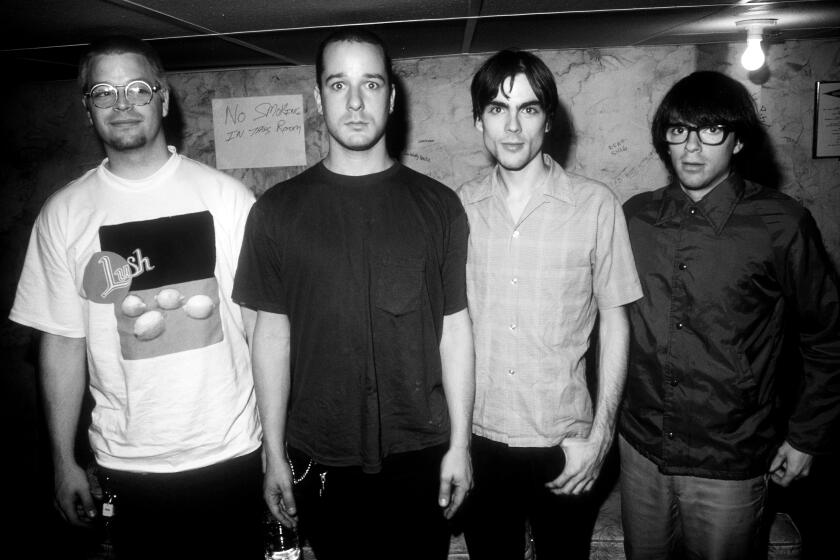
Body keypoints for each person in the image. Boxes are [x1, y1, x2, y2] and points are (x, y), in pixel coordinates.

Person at [9, 36, 263, 559]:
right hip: (125, 463)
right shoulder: (64, 214)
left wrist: (278, 447)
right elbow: (62, 343)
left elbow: (262, 328)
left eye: (138, 88)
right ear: (87, 109)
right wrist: (62, 462)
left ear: (163, 99)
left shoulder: (226, 198)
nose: (122, 104)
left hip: (233, 451)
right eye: (104, 92)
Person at [232, 28, 474, 560]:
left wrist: (461, 445)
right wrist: (273, 452)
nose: (357, 102)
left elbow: (454, 330)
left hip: (421, 453)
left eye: (372, 84)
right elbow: (270, 337)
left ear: (392, 96)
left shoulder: (439, 206)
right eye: (339, 85)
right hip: (320, 454)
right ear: (319, 98)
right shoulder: (275, 212)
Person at [619, 70, 840, 560]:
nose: (692, 147)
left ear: (738, 141)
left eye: (712, 130)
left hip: (730, 458)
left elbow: (827, 336)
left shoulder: (782, 224)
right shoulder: (634, 217)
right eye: (679, 130)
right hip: (641, 449)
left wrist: (806, 436)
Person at [456, 49, 643, 559]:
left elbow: (616, 322)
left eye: (529, 109)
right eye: (498, 109)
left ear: (549, 120)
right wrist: (453, 444)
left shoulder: (596, 205)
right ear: (478, 121)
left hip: (566, 442)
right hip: (479, 441)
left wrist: (601, 438)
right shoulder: (458, 208)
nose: (513, 126)